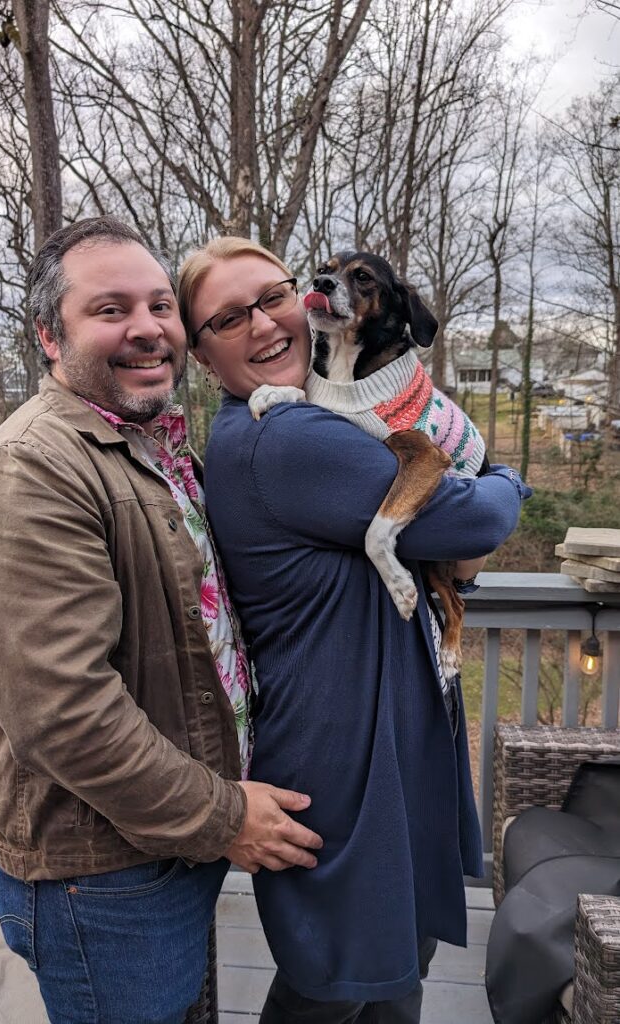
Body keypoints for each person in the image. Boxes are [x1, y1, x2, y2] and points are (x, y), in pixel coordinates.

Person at [0, 217, 322, 1024]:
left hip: (166, 835)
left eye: (159, 306)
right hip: (101, 872)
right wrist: (224, 818)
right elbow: (63, 713)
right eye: (110, 309)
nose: (148, 328)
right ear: (51, 337)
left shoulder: (149, 448)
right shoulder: (32, 469)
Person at [177, 236, 532, 1024]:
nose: (265, 323)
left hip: (385, 745)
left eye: (272, 296)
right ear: (201, 357)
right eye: (228, 318)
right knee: (338, 985)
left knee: (394, 970)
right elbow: (476, 515)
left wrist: (462, 551)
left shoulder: (317, 412)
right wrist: (508, 477)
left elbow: (455, 554)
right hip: (342, 762)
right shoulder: (285, 437)